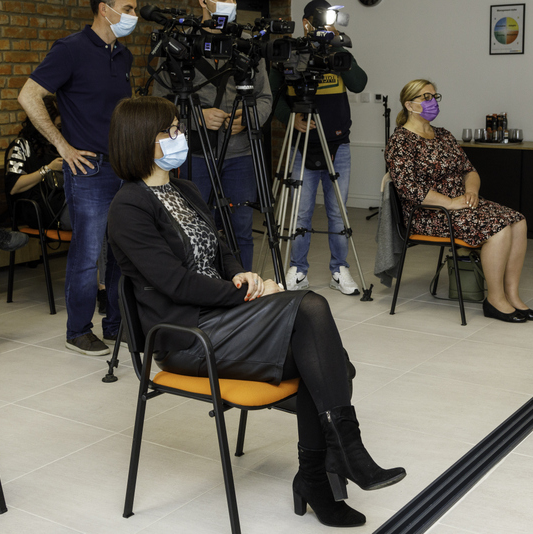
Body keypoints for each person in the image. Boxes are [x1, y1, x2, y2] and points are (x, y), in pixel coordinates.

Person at [107, 96, 405, 528]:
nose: (180, 136)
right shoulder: (129, 207)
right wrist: (245, 293)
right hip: (186, 337)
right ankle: (334, 463)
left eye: (178, 128)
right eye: (170, 130)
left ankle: (321, 473)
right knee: (318, 332)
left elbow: (222, 251)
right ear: (140, 140)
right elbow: (176, 283)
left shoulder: (185, 190)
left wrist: (243, 275)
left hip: (222, 319)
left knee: (318, 353)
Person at [17, 0, 138, 356]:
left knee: (121, 250)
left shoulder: (124, 55)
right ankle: (78, 331)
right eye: (128, 7)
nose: (134, 15)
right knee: (87, 253)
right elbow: (28, 94)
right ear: (104, 9)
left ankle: (115, 324)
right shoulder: (70, 49)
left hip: (122, 166)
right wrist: (63, 146)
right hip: (88, 169)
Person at [385, 79, 533, 324]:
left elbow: (469, 170)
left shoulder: (444, 135)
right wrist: (449, 202)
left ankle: (512, 295)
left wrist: (471, 192)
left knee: (518, 221)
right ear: (409, 104)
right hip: (429, 213)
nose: (433, 102)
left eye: (435, 96)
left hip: (460, 205)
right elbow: (409, 188)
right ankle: (495, 300)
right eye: (426, 97)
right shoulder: (400, 141)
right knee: (498, 228)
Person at [151, 0, 270, 271]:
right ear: (203, 1)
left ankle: (244, 287)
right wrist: (195, 118)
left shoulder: (246, 42)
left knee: (241, 228)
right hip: (195, 155)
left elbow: (265, 97)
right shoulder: (180, 41)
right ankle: (203, 286)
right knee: (194, 226)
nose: (229, 4)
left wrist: (247, 119)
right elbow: (160, 104)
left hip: (240, 154)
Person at [270, 0, 367, 295]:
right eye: (322, 20)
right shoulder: (289, 53)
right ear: (306, 22)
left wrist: (336, 46)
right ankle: (298, 270)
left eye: (330, 20)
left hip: (338, 144)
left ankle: (339, 269)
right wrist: (292, 118)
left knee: (338, 212)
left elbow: (359, 83)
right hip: (301, 144)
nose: (327, 25)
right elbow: (272, 98)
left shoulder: (338, 51)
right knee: (301, 213)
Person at [5, 95, 70, 231]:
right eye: (53, 127)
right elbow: (14, 186)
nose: (56, 133)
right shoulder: (21, 145)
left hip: (63, 201)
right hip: (39, 209)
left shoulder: (59, 143)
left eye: (59, 127)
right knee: (93, 214)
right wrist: (48, 169)